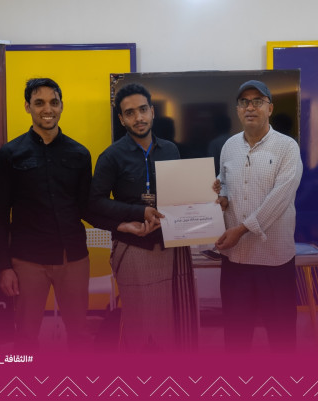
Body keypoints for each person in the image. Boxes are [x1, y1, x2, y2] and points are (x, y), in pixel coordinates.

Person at [89, 83, 197, 352]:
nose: (138, 117)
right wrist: (137, 214)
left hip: (173, 247)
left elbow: (180, 194)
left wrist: (205, 193)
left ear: (152, 111)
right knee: (140, 327)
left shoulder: (171, 150)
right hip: (134, 247)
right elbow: (94, 203)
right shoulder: (111, 156)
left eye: (143, 109)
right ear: (121, 119)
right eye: (130, 113)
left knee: (175, 323)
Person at [0, 78, 92, 351]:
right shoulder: (10, 154)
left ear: (61, 106)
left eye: (53, 102)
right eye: (39, 103)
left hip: (73, 258)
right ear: (28, 107)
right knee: (25, 337)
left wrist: (125, 223)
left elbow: (88, 207)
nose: (48, 109)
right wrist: (3, 267)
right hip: (27, 261)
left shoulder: (80, 154)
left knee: (80, 334)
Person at [214, 80, 303, 352]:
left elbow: (279, 199)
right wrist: (221, 195)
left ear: (270, 108)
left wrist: (241, 229)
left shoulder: (287, 147)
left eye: (257, 101)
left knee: (282, 341)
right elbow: (223, 182)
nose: (250, 107)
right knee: (236, 340)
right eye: (244, 102)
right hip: (236, 260)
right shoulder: (229, 146)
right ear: (237, 109)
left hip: (274, 260)